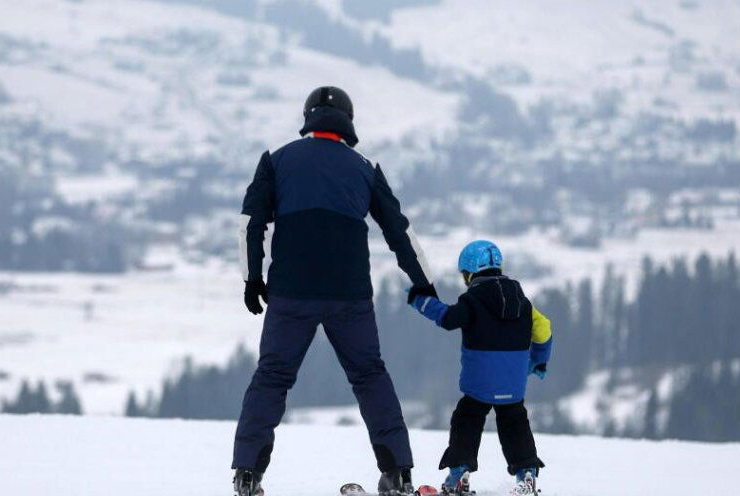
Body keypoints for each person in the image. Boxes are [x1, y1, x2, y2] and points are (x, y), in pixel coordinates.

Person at [232, 86, 437, 496]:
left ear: (308, 117)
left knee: (271, 377)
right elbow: (401, 232)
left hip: (291, 292)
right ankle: (398, 473)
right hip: (350, 296)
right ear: (349, 120)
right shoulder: (364, 167)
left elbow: (251, 223)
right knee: (369, 376)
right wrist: (422, 282)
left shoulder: (276, 161)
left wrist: (252, 278)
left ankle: (248, 475)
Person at [408, 240, 552, 496]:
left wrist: (421, 302)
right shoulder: (522, 301)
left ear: (470, 272)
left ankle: (459, 473)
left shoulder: (473, 300)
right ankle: (526, 474)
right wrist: (538, 360)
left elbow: (448, 319)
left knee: (468, 418)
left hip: (480, 383)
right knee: (514, 421)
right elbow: (543, 330)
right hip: (513, 382)